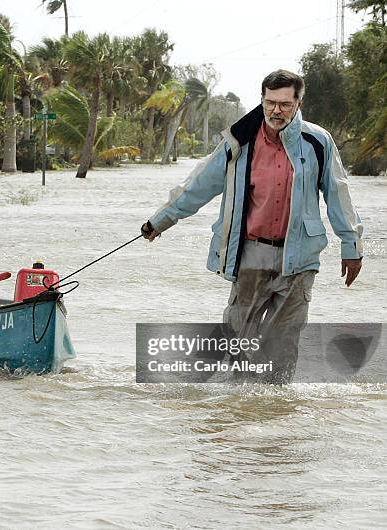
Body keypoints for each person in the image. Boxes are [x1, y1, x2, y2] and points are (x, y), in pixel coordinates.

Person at [141, 69, 363, 383]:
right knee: (237, 337)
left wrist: (351, 247)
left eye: (285, 104)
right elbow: (200, 185)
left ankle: (276, 413)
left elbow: (338, 195)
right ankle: (238, 408)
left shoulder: (317, 141)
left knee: (283, 342)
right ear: (261, 100)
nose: (276, 110)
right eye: (271, 102)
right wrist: (160, 221)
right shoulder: (240, 141)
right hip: (251, 252)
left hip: (299, 256)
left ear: (298, 103)